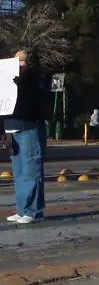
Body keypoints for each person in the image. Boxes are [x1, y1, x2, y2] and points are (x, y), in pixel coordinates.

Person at [4, 50, 50, 225]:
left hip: (29, 126)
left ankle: (33, 211)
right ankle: (22, 208)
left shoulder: (37, 78)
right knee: (20, 172)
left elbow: (37, 98)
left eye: (21, 60)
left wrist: (23, 81)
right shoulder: (9, 79)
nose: (18, 64)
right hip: (12, 128)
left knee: (32, 169)